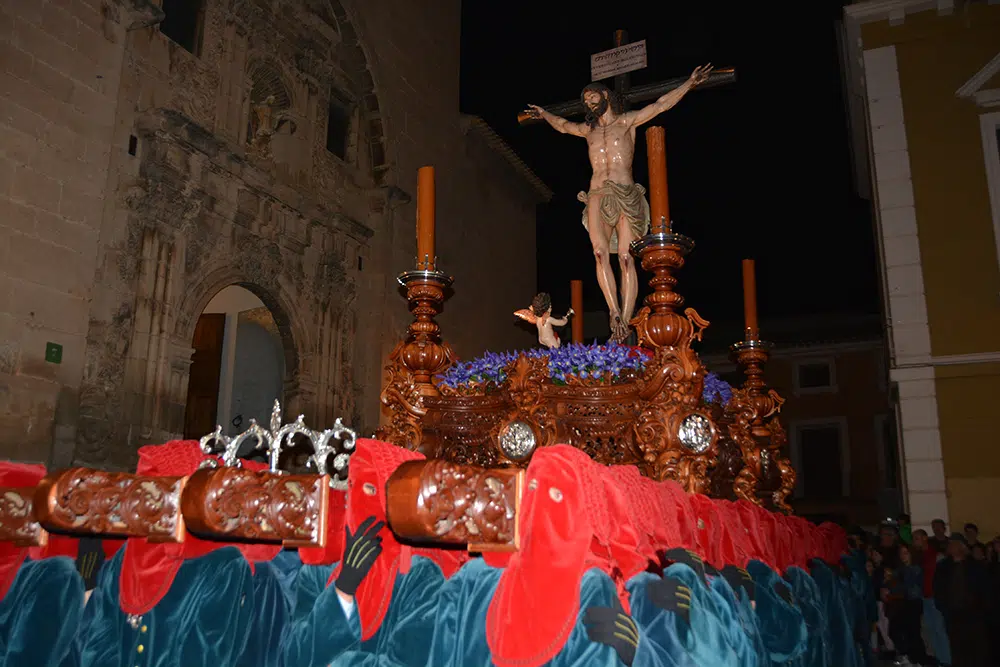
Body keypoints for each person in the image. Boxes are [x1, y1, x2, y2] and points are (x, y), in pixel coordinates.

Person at [524, 64, 712, 342]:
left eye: (593, 97)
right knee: (600, 253)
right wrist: (544, 113)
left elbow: (661, 105)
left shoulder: (627, 122)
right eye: (586, 100)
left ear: (606, 97)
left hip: (625, 193)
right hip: (598, 193)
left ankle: (625, 320)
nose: (589, 103)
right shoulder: (588, 132)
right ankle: (613, 313)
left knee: (626, 258)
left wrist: (690, 83)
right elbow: (563, 126)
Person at [933, 533, 991, 666]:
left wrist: (983, 609)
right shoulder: (943, 567)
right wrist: (943, 607)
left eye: (954, 543)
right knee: (957, 647)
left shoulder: (975, 566)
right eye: (950, 544)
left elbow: (985, 589)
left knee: (976, 648)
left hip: (974, 614)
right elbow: (938, 589)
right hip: (953, 613)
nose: (951, 546)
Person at [912, 529, 951, 666]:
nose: (914, 541)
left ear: (924, 538)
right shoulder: (920, 556)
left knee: (939, 629)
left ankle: (946, 660)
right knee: (931, 629)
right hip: (926, 596)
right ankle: (940, 660)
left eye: (917, 538)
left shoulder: (935, 555)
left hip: (935, 596)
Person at [887, 544, 927, 665]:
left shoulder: (914, 569)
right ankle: (911, 656)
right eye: (901, 553)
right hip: (904, 603)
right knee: (900, 630)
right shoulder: (901, 569)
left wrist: (896, 587)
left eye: (905, 553)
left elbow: (911, 588)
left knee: (912, 632)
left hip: (913, 602)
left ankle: (917, 659)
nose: (903, 556)